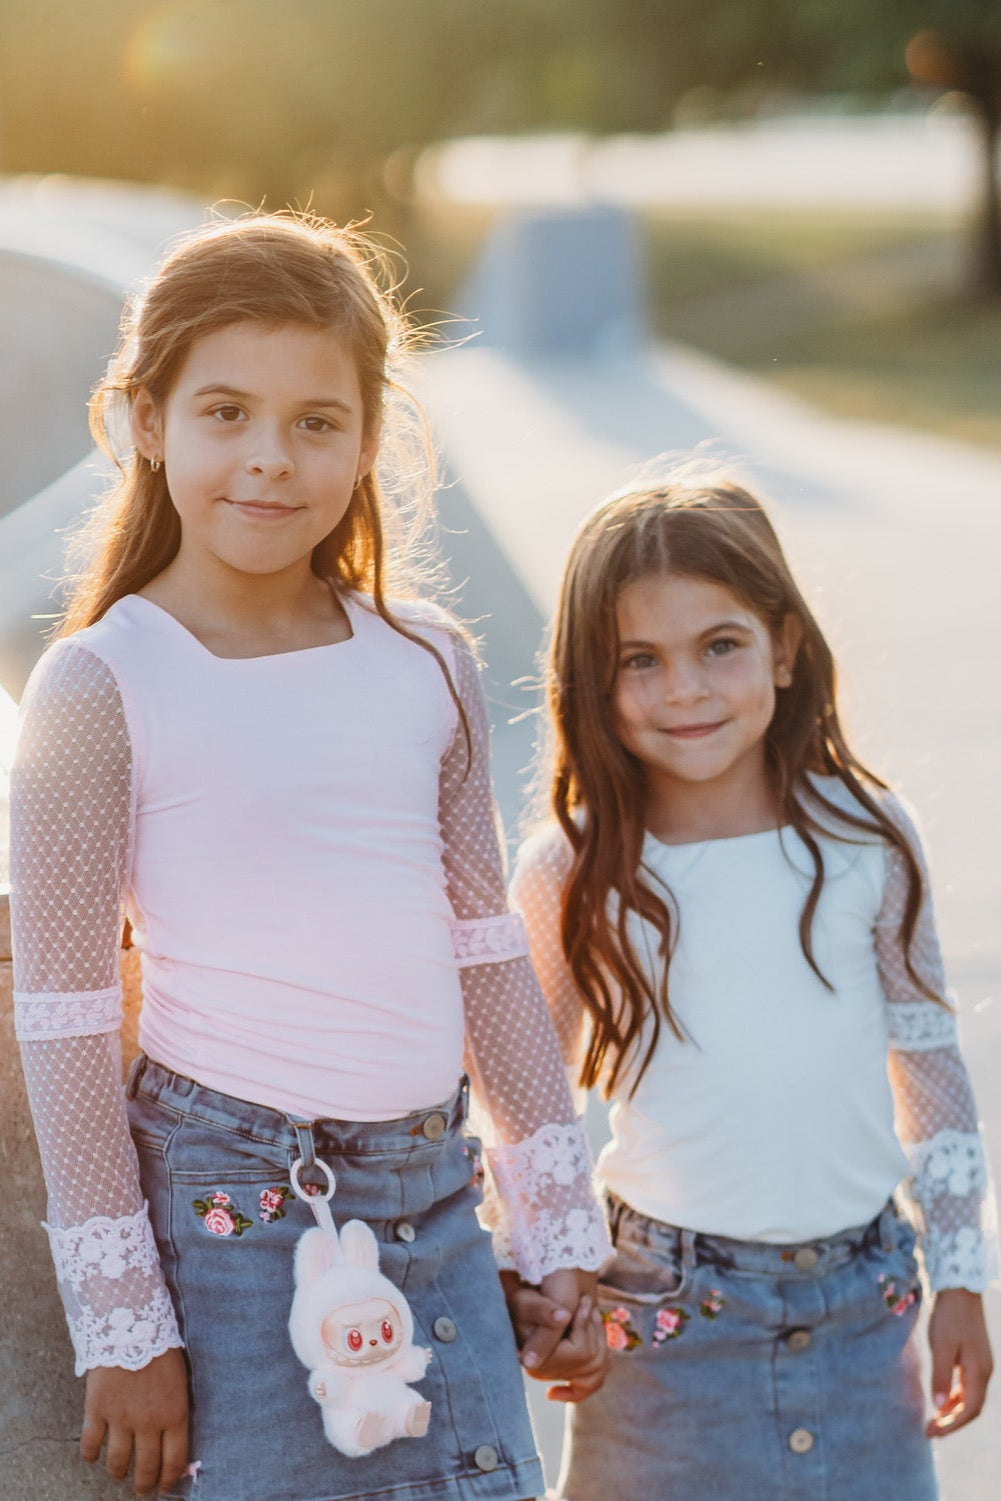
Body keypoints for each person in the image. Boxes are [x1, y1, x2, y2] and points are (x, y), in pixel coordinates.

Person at [9, 212, 610, 1501]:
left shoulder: (427, 661)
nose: (269, 458)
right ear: (147, 419)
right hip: (233, 1218)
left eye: (316, 421)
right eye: (225, 412)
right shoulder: (102, 681)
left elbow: (484, 952)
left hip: (436, 1200)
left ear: (369, 436)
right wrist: (125, 1324)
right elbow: (63, 1013)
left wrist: (555, 1227)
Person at [510, 472, 998, 1501]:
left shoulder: (868, 835)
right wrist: (544, 1271)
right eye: (639, 660)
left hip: (863, 1313)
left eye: (718, 646)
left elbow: (928, 1064)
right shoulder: (573, 866)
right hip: (659, 1324)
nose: (683, 689)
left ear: (782, 646)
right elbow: (528, 1104)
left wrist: (960, 1276)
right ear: (591, 681)